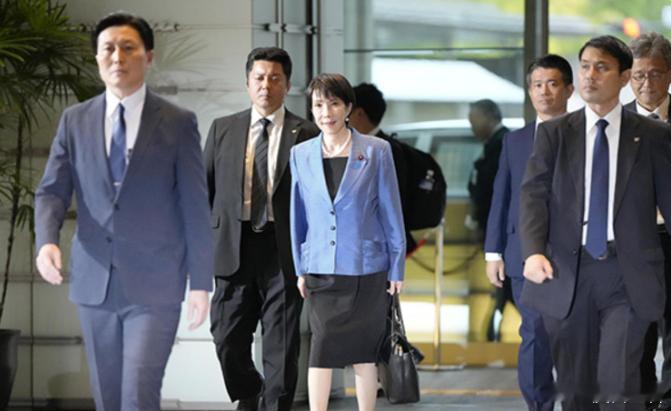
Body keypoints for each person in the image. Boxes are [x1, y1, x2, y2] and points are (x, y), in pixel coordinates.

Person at [34, 12, 213, 411]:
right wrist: (46, 241)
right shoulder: (74, 121)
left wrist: (201, 283)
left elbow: (194, 206)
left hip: (156, 284)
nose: (117, 57)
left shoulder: (177, 123)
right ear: (97, 57)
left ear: (148, 57)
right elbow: (51, 191)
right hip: (94, 282)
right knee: (108, 397)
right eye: (108, 48)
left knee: (137, 393)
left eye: (128, 48)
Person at [520, 35, 671, 410]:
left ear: (624, 77)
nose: (589, 75)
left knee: (617, 381)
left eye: (601, 67)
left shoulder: (653, 136)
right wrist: (534, 251)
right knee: (576, 389)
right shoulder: (555, 134)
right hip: (567, 272)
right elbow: (533, 195)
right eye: (585, 66)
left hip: (627, 273)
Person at [204, 47, 319, 411]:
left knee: (281, 348)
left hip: (282, 250)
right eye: (259, 78)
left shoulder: (307, 133)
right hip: (233, 248)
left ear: (287, 85)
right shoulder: (223, 129)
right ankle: (250, 389)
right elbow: (205, 190)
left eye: (274, 78)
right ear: (247, 83)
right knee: (226, 338)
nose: (266, 85)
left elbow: (318, 200)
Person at [289, 73, 405, 411]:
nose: (326, 112)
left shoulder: (376, 150)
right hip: (321, 267)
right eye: (318, 105)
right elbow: (298, 216)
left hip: (366, 267)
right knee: (321, 348)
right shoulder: (300, 154)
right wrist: (300, 267)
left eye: (334, 104)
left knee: (364, 353)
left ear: (349, 107)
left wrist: (396, 266)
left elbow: (391, 210)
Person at [485, 54, 574, 411]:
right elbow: (501, 195)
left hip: (574, 256)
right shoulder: (515, 140)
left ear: (569, 89)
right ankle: (538, 406)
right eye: (537, 85)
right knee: (534, 333)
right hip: (522, 254)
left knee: (571, 336)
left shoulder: (586, 135)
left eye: (552, 84)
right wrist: (493, 252)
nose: (544, 92)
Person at [624, 32, 671, 406]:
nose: (646, 83)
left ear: (669, 74)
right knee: (635, 332)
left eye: (655, 74)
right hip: (633, 242)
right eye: (639, 75)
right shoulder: (615, 121)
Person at [349, 83, 415, 253]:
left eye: (347, 110)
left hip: (378, 244)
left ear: (359, 113)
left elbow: (393, 201)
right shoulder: (350, 146)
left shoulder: (388, 149)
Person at [467, 98, 509, 238]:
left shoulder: (502, 144)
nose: (472, 127)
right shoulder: (491, 143)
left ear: (488, 117)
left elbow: (493, 186)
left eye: (474, 121)